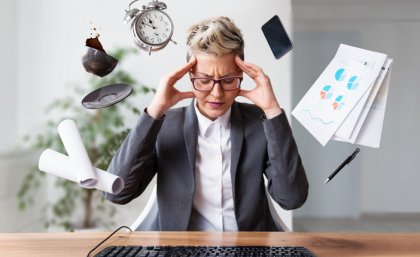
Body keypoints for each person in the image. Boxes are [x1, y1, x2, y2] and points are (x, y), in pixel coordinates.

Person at [105, 16, 308, 231]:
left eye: (228, 80)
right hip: (181, 251)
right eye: (204, 80)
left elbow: (292, 198)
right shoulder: (166, 125)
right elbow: (116, 193)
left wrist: (272, 110)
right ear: (189, 75)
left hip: (249, 248)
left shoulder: (260, 122)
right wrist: (155, 110)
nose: (216, 93)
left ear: (241, 75)